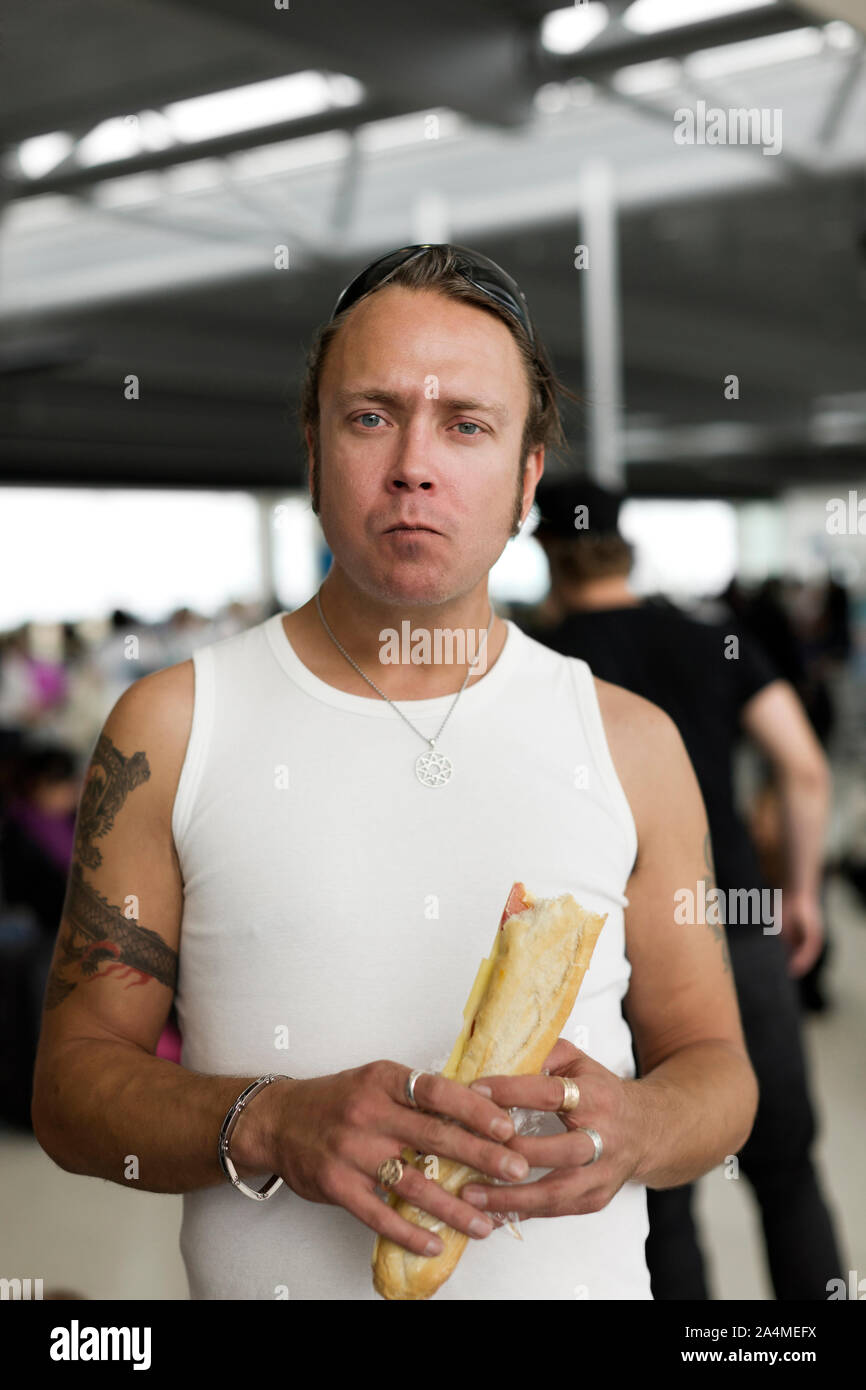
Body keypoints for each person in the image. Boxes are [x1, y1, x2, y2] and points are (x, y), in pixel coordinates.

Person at [32, 245, 758, 1301]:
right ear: (313, 451)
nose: (414, 462)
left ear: (525, 478)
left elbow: (716, 1069)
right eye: (370, 415)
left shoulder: (627, 740)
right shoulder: (177, 725)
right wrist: (268, 1120)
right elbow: (69, 1089)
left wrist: (644, 1126)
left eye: (466, 424)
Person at [527, 476, 846, 1300]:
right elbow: (805, 770)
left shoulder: (537, 661)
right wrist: (800, 893)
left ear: (546, 554)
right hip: (732, 920)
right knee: (787, 1169)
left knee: (655, 1189)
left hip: (613, 948)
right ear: (625, 546)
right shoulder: (713, 635)